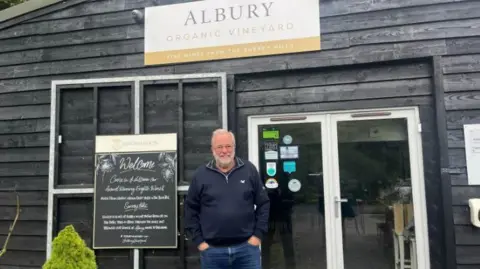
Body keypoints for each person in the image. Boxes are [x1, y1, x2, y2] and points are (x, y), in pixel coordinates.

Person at [184, 129, 270, 269]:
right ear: (212, 149)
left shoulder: (249, 170)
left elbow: (263, 204)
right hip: (212, 252)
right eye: (220, 147)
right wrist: (200, 242)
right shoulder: (201, 174)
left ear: (234, 147)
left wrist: (258, 235)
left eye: (228, 146)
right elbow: (190, 210)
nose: (225, 150)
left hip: (246, 250)